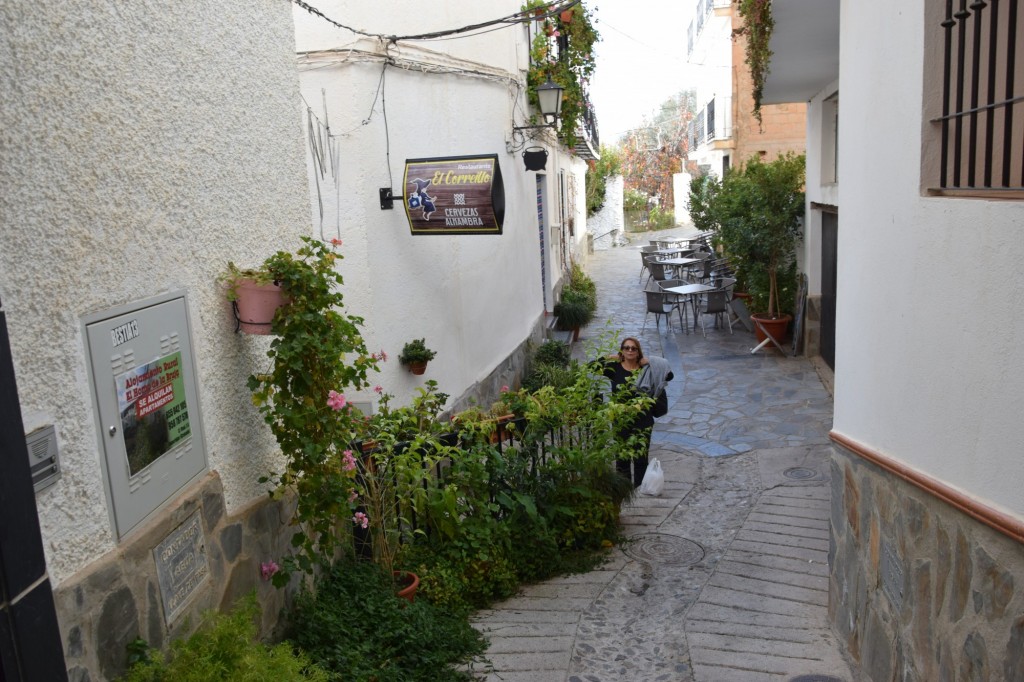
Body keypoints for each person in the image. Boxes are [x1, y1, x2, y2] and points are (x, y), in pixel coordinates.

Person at [598, 337, 673, 487]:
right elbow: (592, 366)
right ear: (622, 351)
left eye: (633, 348)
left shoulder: (646, 368)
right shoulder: (615, 368)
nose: (630, 351)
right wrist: (609, 357)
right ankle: (624, 489)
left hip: (643, 419)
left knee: (640, 457)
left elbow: (669, 374)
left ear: (638, 351)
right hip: (621, 419)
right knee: (621, 457)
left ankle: (639, 488)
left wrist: (650, 360)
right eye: (626, 348)